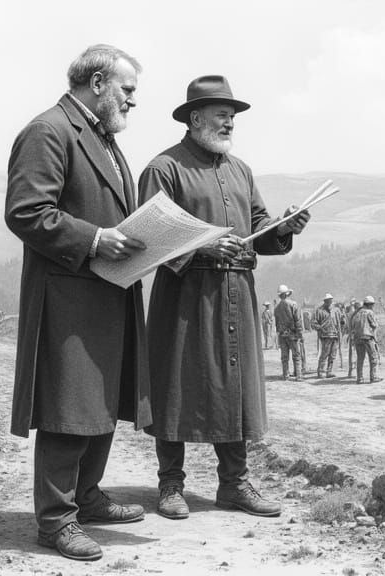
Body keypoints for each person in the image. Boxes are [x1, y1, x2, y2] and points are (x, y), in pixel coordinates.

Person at [137, 75, 310, 521]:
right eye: (221, 114)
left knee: (234, 387)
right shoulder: (164, 169)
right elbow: (150, 236)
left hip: (237, 292)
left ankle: (233, 485)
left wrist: (284, 227)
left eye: (232, 116)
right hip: (185, 297)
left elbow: (260, 228)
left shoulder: (240, 170)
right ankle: (171, 486)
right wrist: (203, 246)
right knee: (176, 386)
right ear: (196, 119)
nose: (230, 122)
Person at [4, 44, 151, 562]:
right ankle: (56, 521)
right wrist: (95, 239)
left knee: (101, 407)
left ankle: (86, 499)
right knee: (69, 410)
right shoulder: (49, 130)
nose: (133, 101)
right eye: (127, 90)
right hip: (69, 301)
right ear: (96, 83)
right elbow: (26, 213)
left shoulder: (102, 137)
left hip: (108, 296)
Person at [275, 284, 304, 380]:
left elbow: (277, 323)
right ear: (287, 294)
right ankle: (299, 375)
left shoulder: (277, 307)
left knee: (284, 357)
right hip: (292, 334)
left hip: (282, 335)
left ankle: (285, 375)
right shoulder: (293, 304)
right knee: (296, 355)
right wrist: (300, 334)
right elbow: (298, 320)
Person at [351, 296, 381, 384]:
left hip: (357, 338)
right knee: (373, 357)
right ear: (370, 304)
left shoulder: (357, 313)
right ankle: (373, 377)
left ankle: (360, 378)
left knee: (360, 358)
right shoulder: (369, 312)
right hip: (367, 337)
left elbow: (352, 325)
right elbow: (374, 325)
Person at [314, 293, 344, 378]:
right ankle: (320, 371)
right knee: (324, 354)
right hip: (325, 336)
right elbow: (314, 323)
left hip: (335, 335)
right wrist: (320, 328)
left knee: (333, 355)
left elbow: (342, 321)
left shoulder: (336, 310)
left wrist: (342, 323)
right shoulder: (319, 310)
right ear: (325, 301)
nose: (329, 302)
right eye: (328, 300)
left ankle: (330, 371)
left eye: (331, 300)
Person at [346, 299, 361, 377]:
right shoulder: (354, 316)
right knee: (355, 354)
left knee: (354, 354)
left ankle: (352, 371)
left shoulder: (351, 315)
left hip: (354, 336)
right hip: (355, 337)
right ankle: (353, 372)